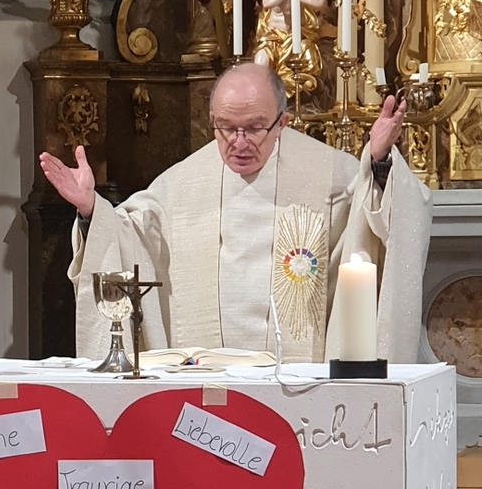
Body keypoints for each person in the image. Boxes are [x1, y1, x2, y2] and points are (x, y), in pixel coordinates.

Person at [39, 62, 432, 363]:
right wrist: (91, 209)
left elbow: (380, 219)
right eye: (225, 127)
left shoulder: (328, 173)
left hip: (300, 377)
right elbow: (131, 236)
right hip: (203, 379)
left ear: (282, 122)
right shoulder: (183, 182)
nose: (238, 143)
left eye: (254, 128)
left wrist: (379, 161)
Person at [254, 0, 328, 96]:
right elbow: (267, 2)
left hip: (296, 36)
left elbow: (320, 2)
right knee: (261, 62)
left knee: (311, 62)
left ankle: (298, 99)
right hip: (274, 35)